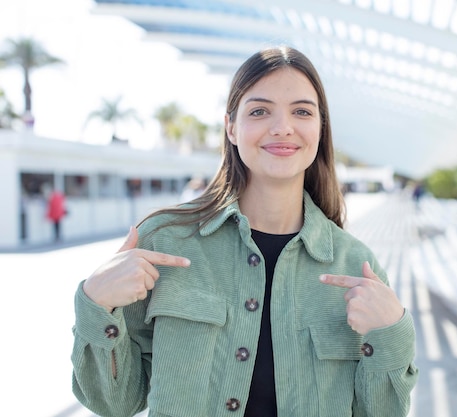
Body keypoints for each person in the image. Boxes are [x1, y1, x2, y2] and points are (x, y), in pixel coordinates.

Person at [71, 46, 418, 417]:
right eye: (259, 111)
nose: (283, 127)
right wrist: (96, 303)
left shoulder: (356, 266)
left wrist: (391, 333)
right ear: (231, 128)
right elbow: (114, 403)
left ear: (320, 129)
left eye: (301, 111)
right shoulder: (165, 241)